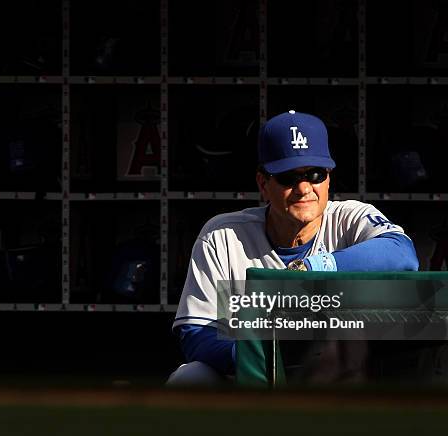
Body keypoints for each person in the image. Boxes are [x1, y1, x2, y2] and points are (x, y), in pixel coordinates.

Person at [168, 110, 420, 386]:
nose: (303, 188)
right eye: (288, 177)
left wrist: (313, 268)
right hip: (251, 378)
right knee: (189, 378)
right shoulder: (223, 235)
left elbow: (402, 254)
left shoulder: (350, 218)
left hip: (336, 377)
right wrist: (262, 358)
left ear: (328, 178)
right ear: (263, 184)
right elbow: (197, 332)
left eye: (314, 174)